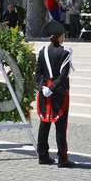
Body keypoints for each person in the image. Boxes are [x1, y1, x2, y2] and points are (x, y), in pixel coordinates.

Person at [35, 20, 75, 167]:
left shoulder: (42, 51)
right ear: (60, 37)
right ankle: (62, 158)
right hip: (59, 92)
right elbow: (64, 74)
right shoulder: (65, 52)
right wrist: (52, 89)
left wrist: (42, 87)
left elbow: (38, 73)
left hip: (45, 92)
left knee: (44, 124)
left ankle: (42, 156)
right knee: (60, 124)